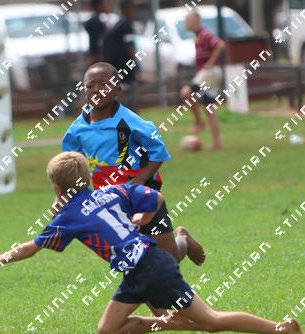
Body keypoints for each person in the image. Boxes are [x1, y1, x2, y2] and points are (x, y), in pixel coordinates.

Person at [0, 152, 303, 334]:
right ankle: (170, 322)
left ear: (56, 187)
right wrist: (142, 217)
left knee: (211, 321)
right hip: (141, 268)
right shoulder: (113, 191)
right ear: (88, 177)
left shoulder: (68, 216)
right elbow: (156, 197)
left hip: (149, 267)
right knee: (108, 330)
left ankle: (282, 328)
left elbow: (31, 247)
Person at [63, 62, 205, 265]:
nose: (96, 90)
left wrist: (138, 181)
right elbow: (72, 165)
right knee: (131, 259)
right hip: (108, 202)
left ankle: (182, 239)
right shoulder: (76, 130)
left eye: (103, 85)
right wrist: (68, 195)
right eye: (90, 85)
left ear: (117, 90)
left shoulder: (131, 122)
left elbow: (158, 153)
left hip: (144, 195)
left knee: (169, 261)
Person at [181, 9, 226, 150]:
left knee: (186, 92)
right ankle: (217, 144)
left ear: (195, 21)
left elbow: (220, 44)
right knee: (209, 109)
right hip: (211, 74)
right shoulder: (197, 36)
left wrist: (210, 63)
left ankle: (199, 123)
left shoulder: (204, 34)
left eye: (187, 20)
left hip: (210, 72)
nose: (185, 23)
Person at [101, 0, 138, 102]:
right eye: (132, 8)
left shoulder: (118, 23)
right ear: (126, 9)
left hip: (115, 64)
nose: (134, 11)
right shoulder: (127, 25)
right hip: (124, 64)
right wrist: (135, 62)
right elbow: (129, 46)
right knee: (124, 90)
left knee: (121, 89)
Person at [83, 0, 108, 66]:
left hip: (95, 54)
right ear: (99, 6)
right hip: (96, 55)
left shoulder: (96, 20)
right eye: (103, 4)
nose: (106, 6)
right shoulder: (95, 21)